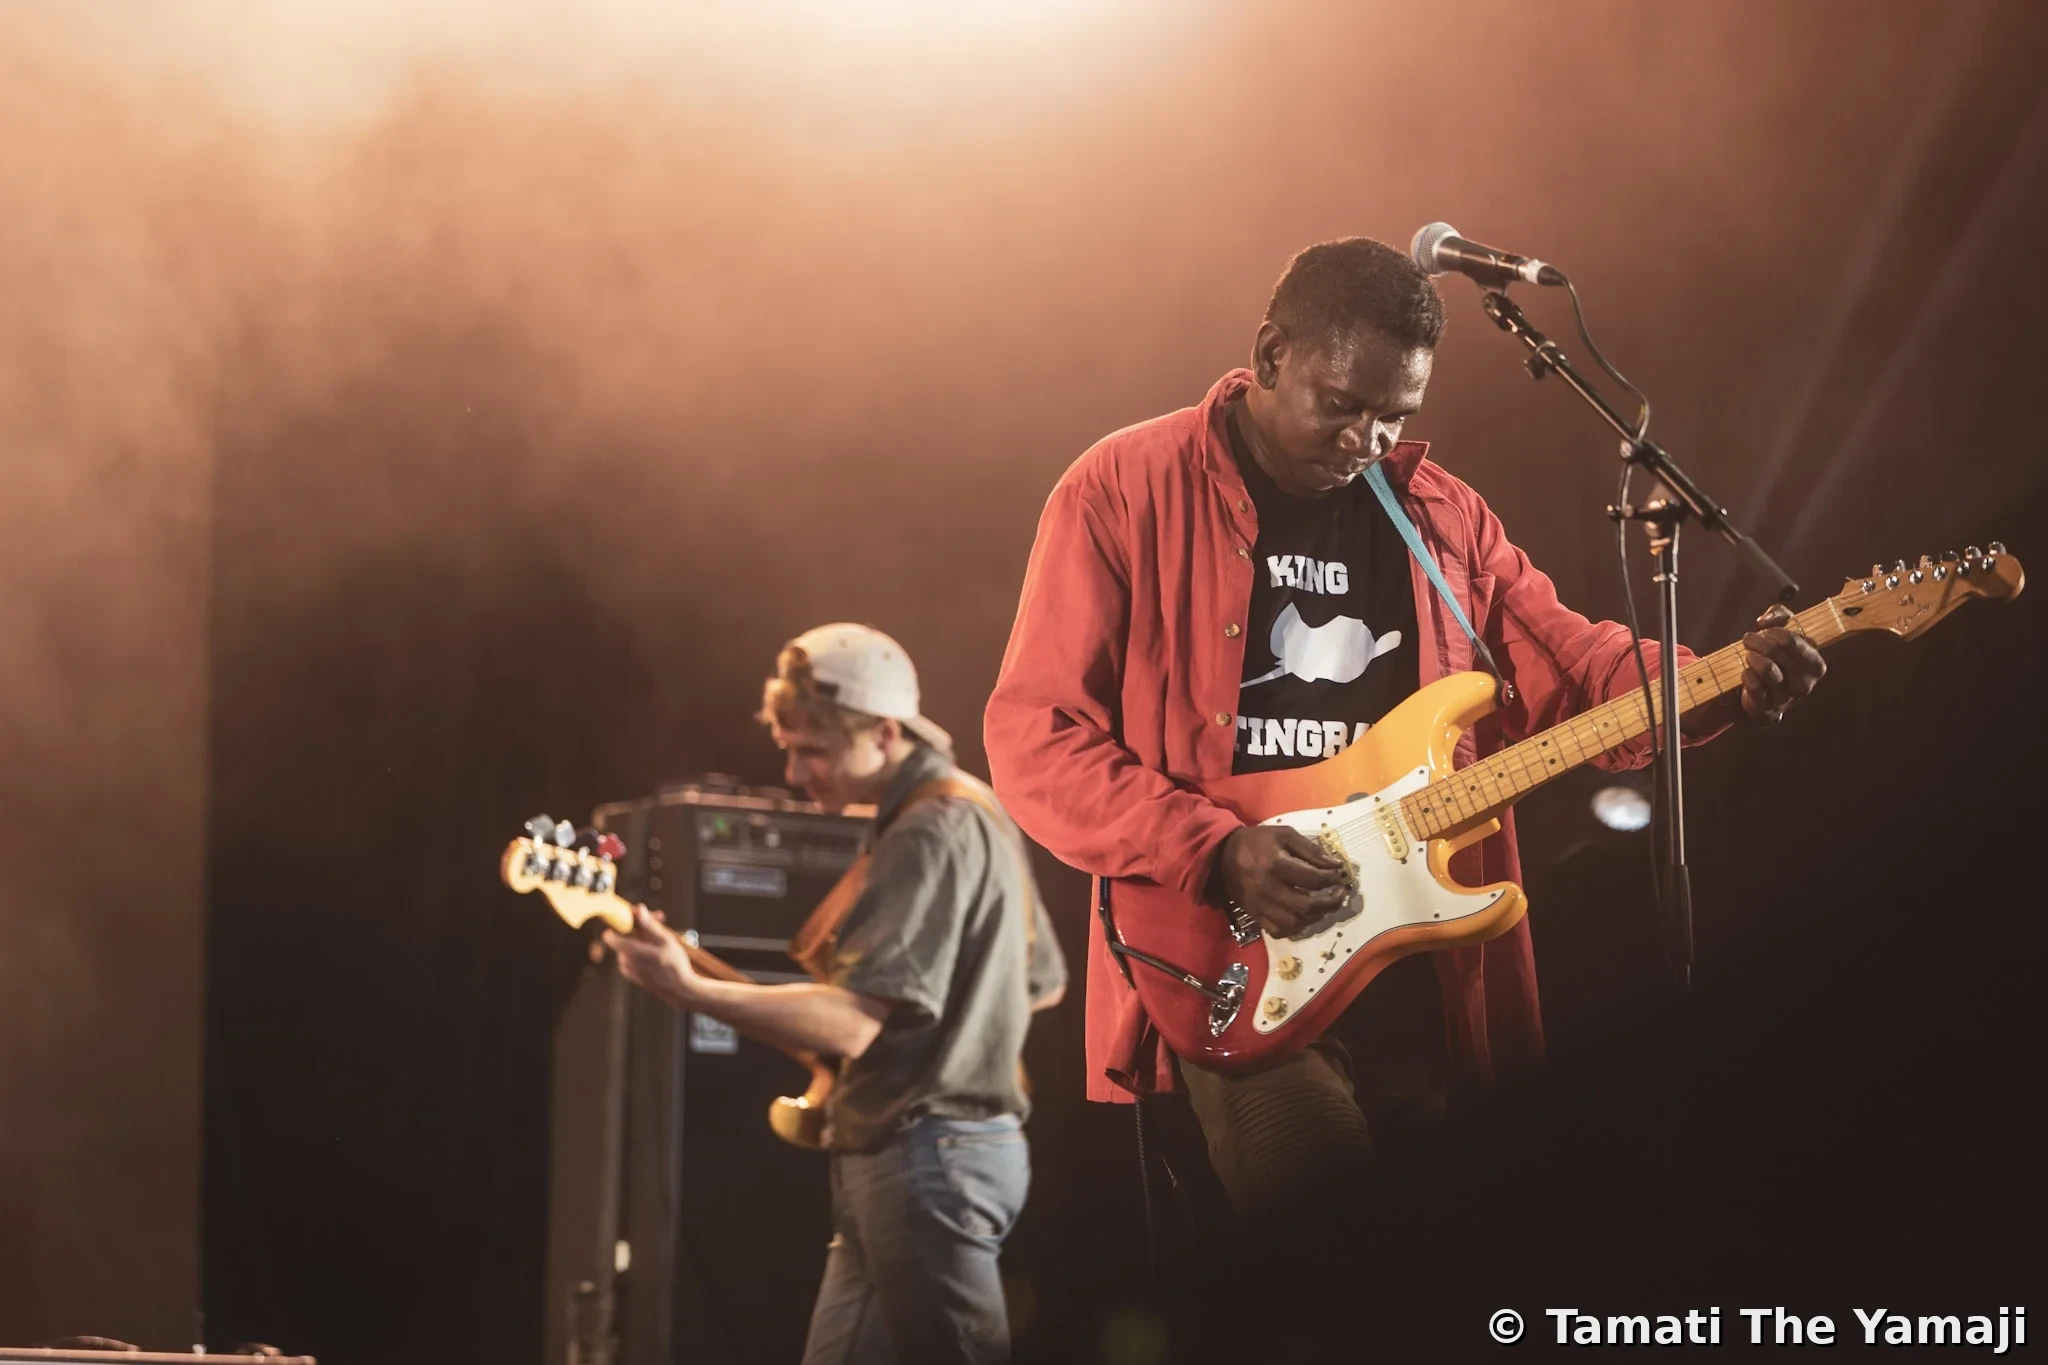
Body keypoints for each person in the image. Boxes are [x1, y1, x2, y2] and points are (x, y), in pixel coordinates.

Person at [982, 237, 1824, 1216]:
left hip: (1425, 963)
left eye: (1394, 416)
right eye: (1342, 405)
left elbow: (1573, 667)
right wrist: (1213, 849)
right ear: (1270, 355)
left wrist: (1721, 682)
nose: (1367, 440)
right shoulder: (1125, 485)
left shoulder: (1441, 517)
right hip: (1240, 950)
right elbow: (1036, 734)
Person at [605, 623, 1067, 1365]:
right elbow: (1041, 982)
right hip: (924, 1153)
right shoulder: (973, 808)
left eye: (813, 750)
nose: (794, 772)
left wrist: (689, 989)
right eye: (788, 748)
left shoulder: (926, 832)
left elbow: (852, 1023)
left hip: (927, 1158)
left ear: (884, 732)